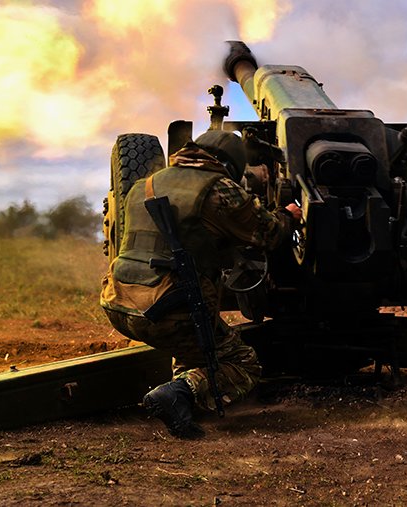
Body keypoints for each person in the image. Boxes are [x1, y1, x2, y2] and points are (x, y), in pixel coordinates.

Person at [100, 130, 301, 439]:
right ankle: (179, 392)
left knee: (197, 348)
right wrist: (287, 214)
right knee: (243, 364)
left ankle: (181, 406)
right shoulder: (219, 189)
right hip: (169, 313)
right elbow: (269, 234)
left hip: (119, 303)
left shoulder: (146, 184)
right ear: (230, 165)